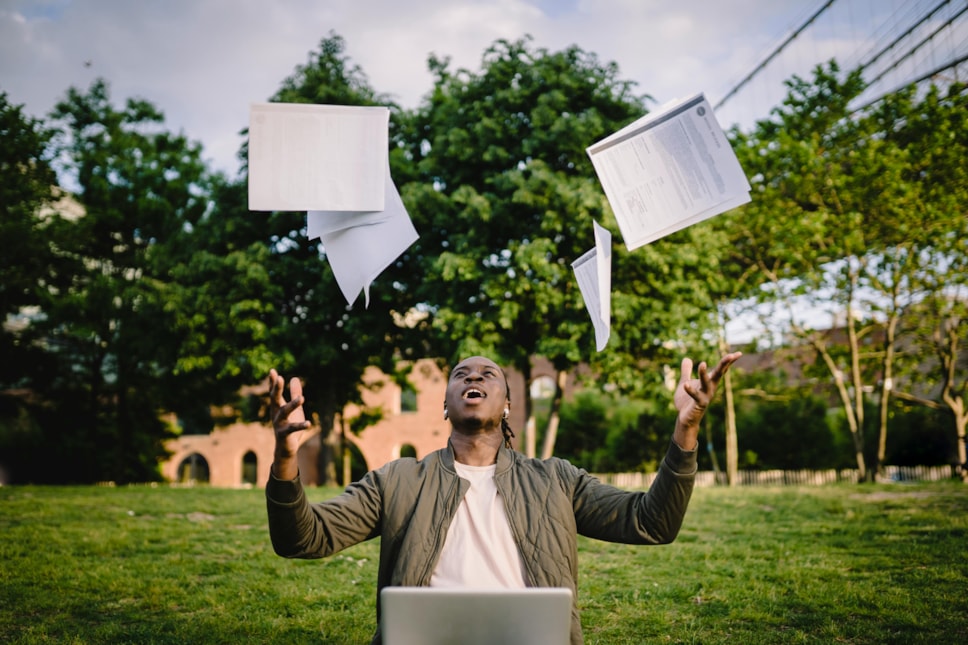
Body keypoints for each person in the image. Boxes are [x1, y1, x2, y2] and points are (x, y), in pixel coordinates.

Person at [266, 352, 741, 645]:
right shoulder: (397, 479)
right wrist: (286, 456)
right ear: (446, 403)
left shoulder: (556, 479)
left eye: (488, 374)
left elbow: (651, 523)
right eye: (461, 374)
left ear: (507, 404)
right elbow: (303, 539)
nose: (474, 377)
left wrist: (686, 430)